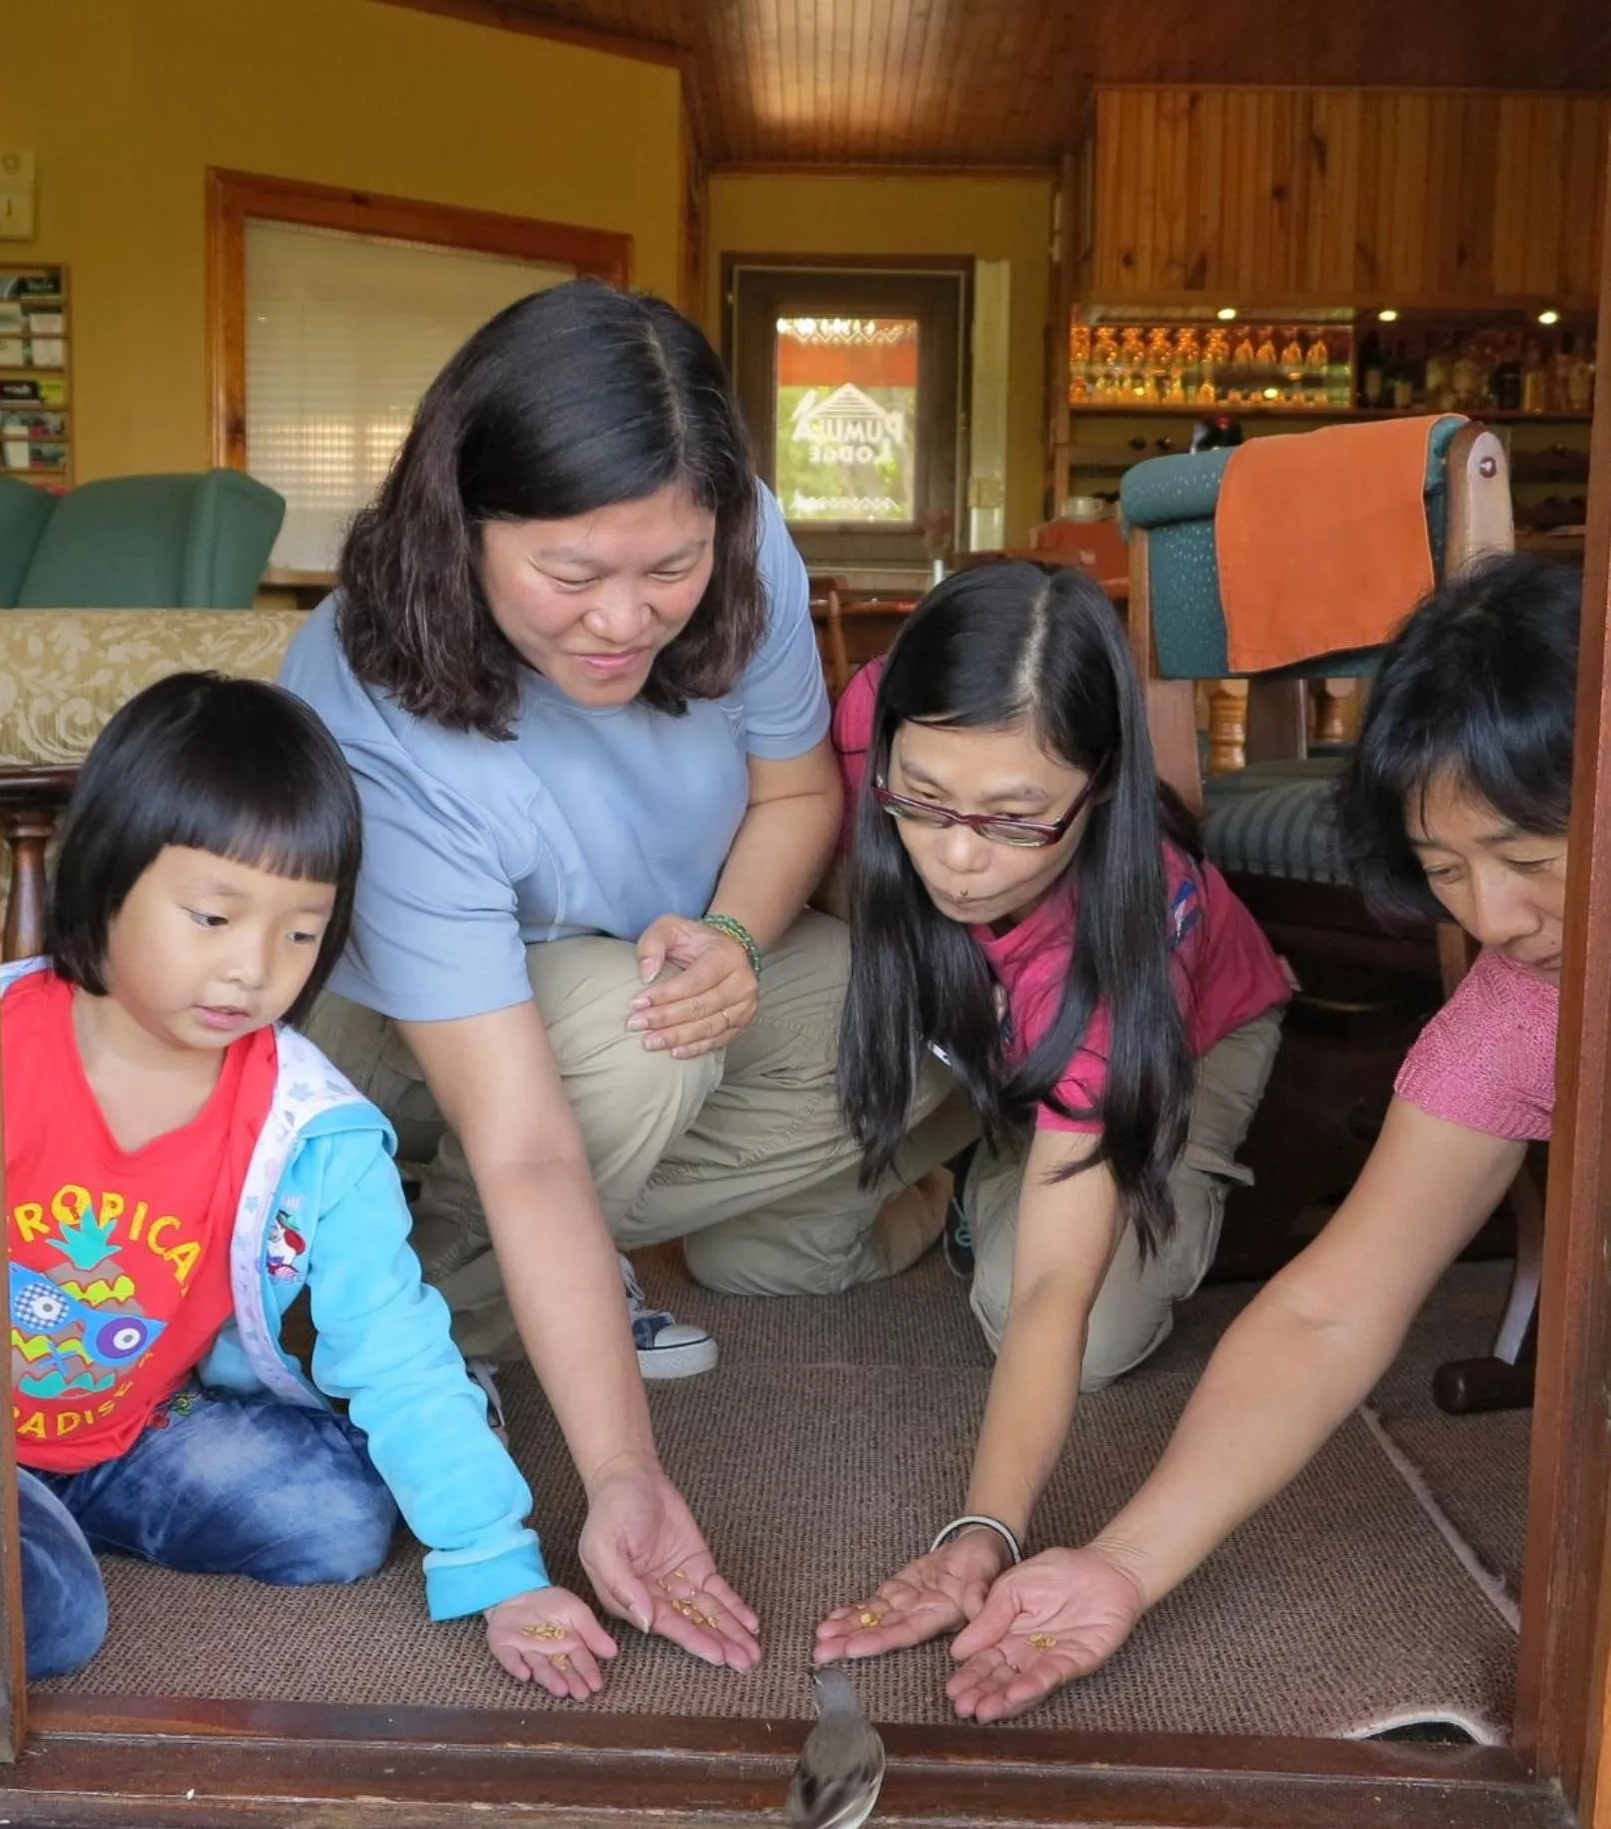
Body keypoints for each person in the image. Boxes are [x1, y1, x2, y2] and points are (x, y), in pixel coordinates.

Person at [280, 281, 965, 1671]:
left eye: (671, 569)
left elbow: (793, 798)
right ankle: (411, 1323)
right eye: (572, 575)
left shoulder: (733, 540)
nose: (627, 619)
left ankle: (517, 1277)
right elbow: (526, 1141)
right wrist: (625, 1477)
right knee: (636, 1034)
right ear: (458, 524)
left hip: (658, 973)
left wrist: (736, 936)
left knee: (935, 1013)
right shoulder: (370, 690)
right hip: (419, 1039)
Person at [916, 552, 1576, 1724]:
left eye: (1527, 862)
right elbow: (1331, 1306)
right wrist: (1123, 1561)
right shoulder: (1516, 1011)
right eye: (1445, 872)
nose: (1490, 917)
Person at [11, 673, 666, 1700]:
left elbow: (395, 1343)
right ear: (105, 875)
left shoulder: (312, 1127)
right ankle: (21, 1524)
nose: (253, 969)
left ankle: (50, 1513)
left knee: (338, 1514)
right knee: (53, 1614)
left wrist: (497, 1565)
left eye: (301, 931)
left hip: (128, 1428)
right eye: (213, 916)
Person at [812, 561, 1291, 1679]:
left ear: (1104, 786)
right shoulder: (868, 717)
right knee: (764, 1258)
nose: (959, 855)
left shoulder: (1128, 957)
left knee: (1088, 1336)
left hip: (1186, 1035)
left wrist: (981, 1532)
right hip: (979, 1011)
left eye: (1016, 818)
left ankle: (1033, 1164)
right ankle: (982, 1161)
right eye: (920, 798)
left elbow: (1052, 1292)